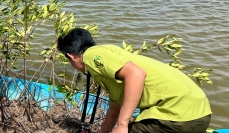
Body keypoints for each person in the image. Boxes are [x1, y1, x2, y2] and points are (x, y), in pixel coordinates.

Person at [57, 28, 211, 133]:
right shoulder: (112, 59)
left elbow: (136, 74)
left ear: (72, 56)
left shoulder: (91, 55)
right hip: (200, 115)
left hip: (177, 116)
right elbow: (114, 109)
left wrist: (123, 125)